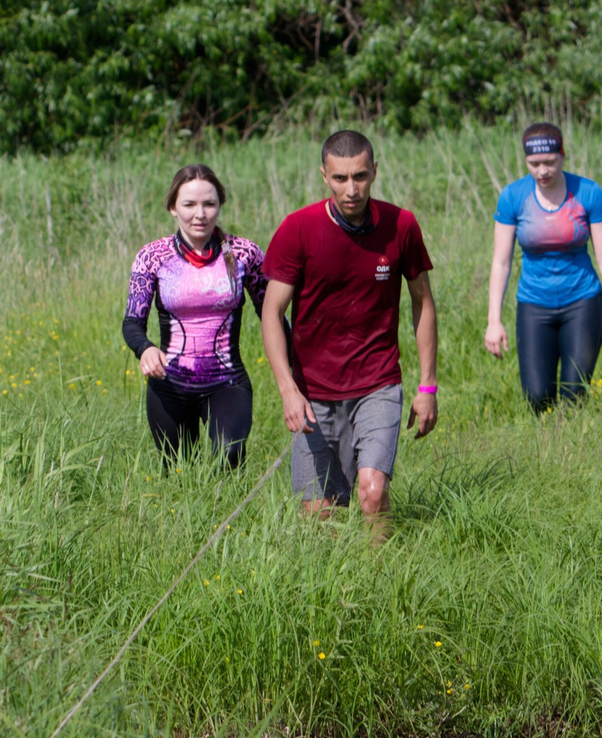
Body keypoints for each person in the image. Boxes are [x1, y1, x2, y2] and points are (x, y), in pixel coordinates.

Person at [259, 131, 439, 524]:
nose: (351, 189)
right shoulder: (298, 228)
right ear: (324, 176)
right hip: (313, 391)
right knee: (319, 515)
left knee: (373, 492)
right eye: (340, 178)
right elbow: (272, 312)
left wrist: (428, 386)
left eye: (360, 176)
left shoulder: (401, 225)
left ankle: (384, 562)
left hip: (377, 383)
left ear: (375, 171)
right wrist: (288, 390)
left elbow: (423, 300)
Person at [123, 164, 267, 467]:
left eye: (209, 204)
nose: (200, 214)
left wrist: (298, 369)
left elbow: (273, 314)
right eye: (189, 204)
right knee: (178, 471)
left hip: (227, 382)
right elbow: (132, 322)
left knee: (229, 457)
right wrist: (145, 349)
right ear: (173, 208)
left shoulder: (245, 253)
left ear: (220, 205)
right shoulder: (152, 256)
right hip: (169, 384)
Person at [483, 122, 602, 413]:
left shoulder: (588, 192)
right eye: (534, 163)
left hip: (582, 301)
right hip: (533, 304)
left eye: (550, 162)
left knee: (574, 393)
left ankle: (574, 439)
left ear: (563, 154)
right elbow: (501, 262)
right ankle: (547, 438)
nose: (543, 171)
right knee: (537, 396)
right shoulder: (513, 197)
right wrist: (494, 320)